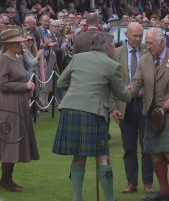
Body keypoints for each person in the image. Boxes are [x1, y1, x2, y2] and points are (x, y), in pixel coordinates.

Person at [52, 32, 131, 201]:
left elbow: (61, 82)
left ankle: (77, 198)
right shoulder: (112, 65)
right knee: (102, 156)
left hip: (70, 109)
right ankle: (110, 199)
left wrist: (80, 86)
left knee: (78, 156)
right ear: (109, 46)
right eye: (114, 46)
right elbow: (122, 94)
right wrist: (131, 93)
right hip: (93, 112)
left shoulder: (78, 58)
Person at [129, 27, 169, 201]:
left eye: (151, 43)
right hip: (151, 114)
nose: (148, 46)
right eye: (146, 43)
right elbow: (136, 82)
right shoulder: (144, 61)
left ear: (162, 42)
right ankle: (165, 192)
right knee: (155, 153)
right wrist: (127, 91)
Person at [0, 27, 39, 192]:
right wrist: (24, 86)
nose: (19, 44)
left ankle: (7, 179)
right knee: (9, 142)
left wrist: (28, 87)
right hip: (7, 106)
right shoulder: (2, 61)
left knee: (14, 141)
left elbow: (20, 79)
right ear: (8, 44)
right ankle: (5, 180)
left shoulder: (17, 59)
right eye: (16, 43)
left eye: (19, 42)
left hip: (18, 104)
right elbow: (2, 85)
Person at [110, 22, 154, 194]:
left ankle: (148, 182)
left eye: (140, 35)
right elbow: (110, 82)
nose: (137, 39)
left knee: (147, 146)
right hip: (125, 105)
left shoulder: (148, 52)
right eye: (134, 35)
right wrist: (112, 107)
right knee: (129, 147)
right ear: (126, 35)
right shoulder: (116, 53)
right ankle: (132, 182)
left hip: (145, 104)